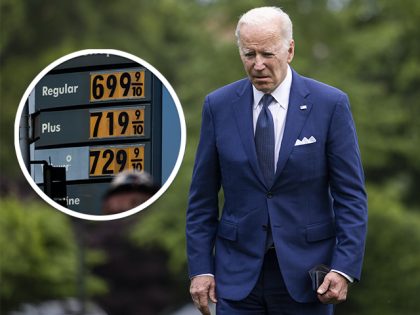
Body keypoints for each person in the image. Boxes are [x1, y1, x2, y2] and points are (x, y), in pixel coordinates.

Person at [186, 6, 367, 315]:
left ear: (290, 50)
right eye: (248, 54)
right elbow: (202, 199)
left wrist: (344, 267)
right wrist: (201, 268)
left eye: (267, 54)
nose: (257, 65)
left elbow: (350, 196)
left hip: (308, 279)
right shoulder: (218, 106)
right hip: (236, 276)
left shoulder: (330, 105)